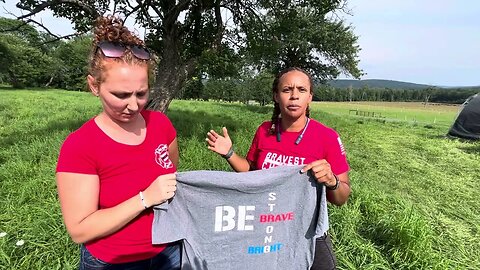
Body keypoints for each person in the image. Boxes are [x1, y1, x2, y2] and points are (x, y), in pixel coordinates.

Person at [56, 16, 180, 270]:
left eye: (142, 93)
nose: (133, 105)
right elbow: (80, 230)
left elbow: (172, 177)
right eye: (121, 95)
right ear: (94, 85)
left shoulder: (161, 125)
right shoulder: (80, 146)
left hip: (169, 251)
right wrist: (145, 198)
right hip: (114, 261)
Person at [206, 67, 351, 270]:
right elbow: (252, 173)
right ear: (276, 96)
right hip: (265, 227)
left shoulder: (326, 137)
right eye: (287, 90)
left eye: (301, 90)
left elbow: (342, 198)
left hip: (308, 233)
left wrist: (332, 181)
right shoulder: (265, 130)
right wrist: (229, 153)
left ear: (310, 97)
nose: (294, 96)